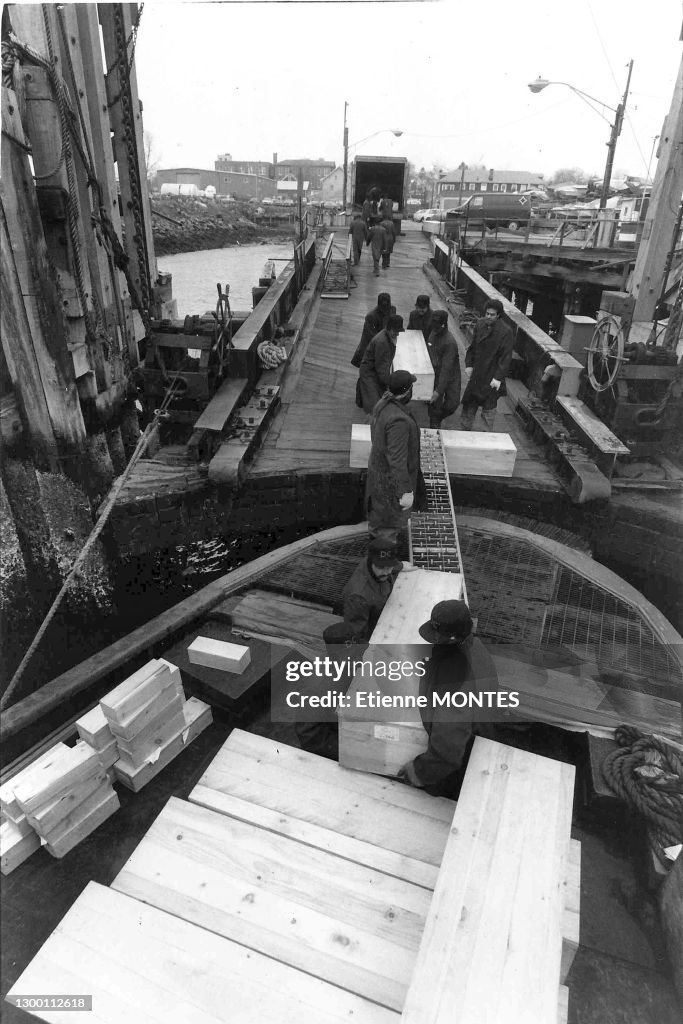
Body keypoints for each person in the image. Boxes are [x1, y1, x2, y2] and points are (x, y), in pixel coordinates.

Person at [398, 600, 498, 798]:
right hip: (478, 729)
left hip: (461, 755)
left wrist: (419, 772)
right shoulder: (472, 646)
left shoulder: (455, 680)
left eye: (437, 638)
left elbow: (449, 749)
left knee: (434, 795)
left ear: (451, 639)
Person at [366, 368, 422, 546]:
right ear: (406, 391)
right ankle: (385, 566)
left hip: (378, 475)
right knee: (389, 524)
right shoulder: (399, 421)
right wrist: (405, 491)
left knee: (379, 520)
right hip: (391, 484)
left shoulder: (382, 404)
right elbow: (397, 460)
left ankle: (377, 554)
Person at [342, 537, 410, 641]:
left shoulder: (375, 562)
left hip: (381, 609)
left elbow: (392, 563)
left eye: (389, 566)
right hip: (373, 627)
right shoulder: (357, 597)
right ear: (371, 561)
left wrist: (401, 566)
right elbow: (357, 633)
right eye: (381, 567)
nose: (387, 572)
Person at [461, 298, 513, 431]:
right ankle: (464, 431)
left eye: (492, 315)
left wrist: (498, 378)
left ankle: (486, 435)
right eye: (487, 314)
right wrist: (469, 364)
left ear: (499, 315)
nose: (489, 317)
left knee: (489, 410)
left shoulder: (506, 332)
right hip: (477, 374)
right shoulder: (480, 324)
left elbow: (505, 358)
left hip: (492, 376)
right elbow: (472, 347)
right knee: (469, 406)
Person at [357, 314, 403, 414]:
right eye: (396, 331)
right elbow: (382, 368)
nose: (398, 334)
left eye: (399, 331)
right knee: (374, 405)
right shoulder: (382, 342)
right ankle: (372, 422)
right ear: (389, 328)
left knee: (379, 398)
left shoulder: (388, 336)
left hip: (375, 370)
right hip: (369, 372)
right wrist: (390, 385)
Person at [427, 310, 462, 429]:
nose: (434, 327)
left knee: (452, 404)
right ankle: (434, 423)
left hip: (451, 375)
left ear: (444, 324)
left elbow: (446, 369)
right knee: (435, 406)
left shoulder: (450, 343)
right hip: (436, 373)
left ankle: (438, 416)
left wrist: (438, 391)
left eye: (437, 325)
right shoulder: (433, 333)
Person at [351, 293, 396, 369]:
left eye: (386, 309)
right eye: (383, 309)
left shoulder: (392, 310)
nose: (385, 311)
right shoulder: (371, 316)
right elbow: (370, 335)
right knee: (368, 367)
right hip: (371, 345)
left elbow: (393, 321)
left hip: (385, 340)